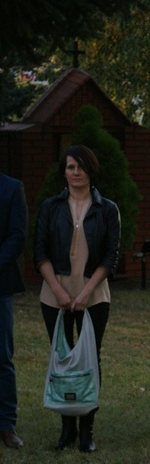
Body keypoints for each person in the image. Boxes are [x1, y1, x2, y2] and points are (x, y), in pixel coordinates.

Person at [34, 145, 121, 452]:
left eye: (81, 166)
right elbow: (39, 253)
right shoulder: (51, 206)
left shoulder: (106, 208)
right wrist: (58, 291)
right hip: (53, 295)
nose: (76, 172)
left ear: (91, 169)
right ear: (64, 171)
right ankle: (66, 428)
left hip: (94, 295)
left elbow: (111, 256)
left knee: (89, 360)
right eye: (71, 167)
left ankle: (87, 430)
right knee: (62, 359)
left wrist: (85, 292)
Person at [0, 174, 27, 449]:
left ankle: (6, 425)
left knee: (2, 356)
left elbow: (18, 235)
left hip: (0, 286)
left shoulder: (11, 188)